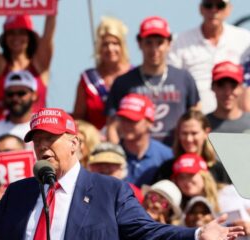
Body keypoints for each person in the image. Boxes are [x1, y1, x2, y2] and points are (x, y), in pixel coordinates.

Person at [0, 108, 245, 239]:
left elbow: (148, 233)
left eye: (52, 138)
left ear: (75, 143)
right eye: (37, 139)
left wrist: (197, 234)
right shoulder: (18, 194)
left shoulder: (110, 191)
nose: (43, 146)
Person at [105, 16, 200, 146]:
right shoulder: (123, 82)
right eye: (149, 42)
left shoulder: (184, 78)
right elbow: (112, 126)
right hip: (135, 159)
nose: (154, 49)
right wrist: (117, 156)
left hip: (177, 156)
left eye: (160, 42)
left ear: (169, 44)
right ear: (139, 43)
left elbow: (197, 118)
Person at [168, 0, 250, 114]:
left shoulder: (245, 38)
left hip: (235, 123)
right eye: (208, 5)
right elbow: (172, 82)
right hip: (194, 123)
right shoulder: (180, 41)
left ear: (229, 9)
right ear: (201, 9)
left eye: (220, 6)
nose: (214, 10)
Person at [0, 13, 56, 121]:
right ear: (5, 37)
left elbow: (48, 35)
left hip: (36, 132)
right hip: (3, 133)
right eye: (11, 33)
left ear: (29, 36)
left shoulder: (39, 64)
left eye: (21, 32)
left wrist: (52, 8)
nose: (16, 38)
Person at [73, 16, 131, 130]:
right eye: (105, 44)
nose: (110, 48)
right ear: (99, 47)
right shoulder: (88, 79)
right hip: (96, 143)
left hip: (129, 142)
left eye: (115, 43)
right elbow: (78, 118)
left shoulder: (134, 75)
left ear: (122, 46)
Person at [155, 110, 231, 185]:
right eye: (184, 133)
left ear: (206, 133)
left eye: (194, 133)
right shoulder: (167, 169)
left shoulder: (218, 170)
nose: (189, 139)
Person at [116, 93, 173, 187]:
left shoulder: (167, 156)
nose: (126, 125)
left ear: (150, 122)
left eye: (132, 120)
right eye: (122, 119)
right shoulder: (109, 155)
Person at [207, 61, 250, 133]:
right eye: (221, 85)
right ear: (212, 87)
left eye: (233, 86)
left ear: (241, 88)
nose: (227, 93)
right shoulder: (201, 125)